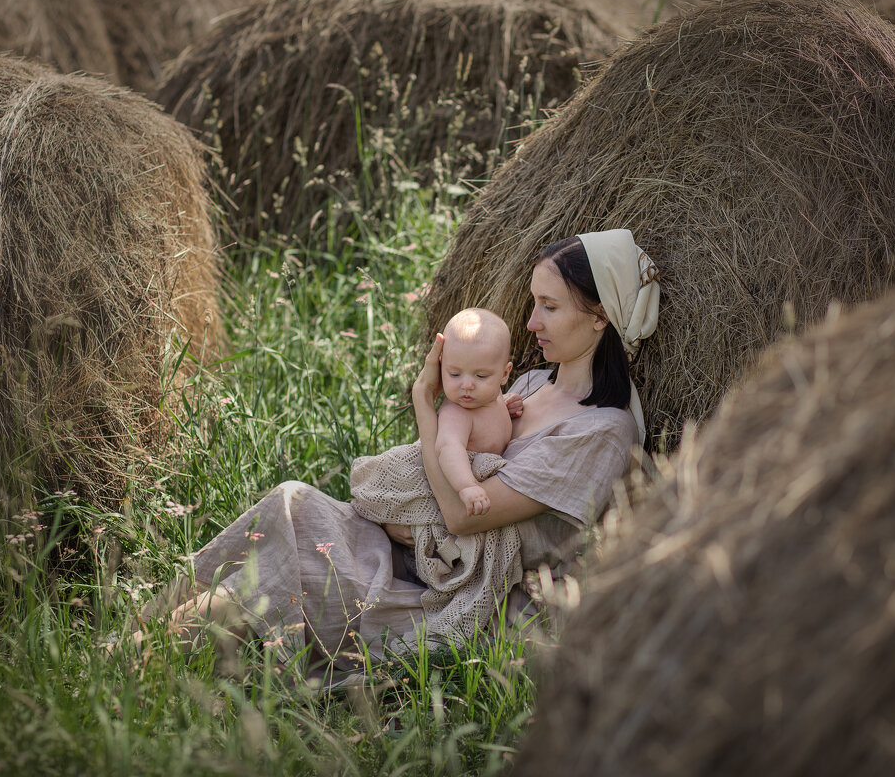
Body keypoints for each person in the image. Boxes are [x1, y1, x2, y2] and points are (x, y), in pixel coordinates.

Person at [142, 228, 661, 673]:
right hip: (415, 557)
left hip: (457, 597)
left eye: (548, 306)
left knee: (297, 565)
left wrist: (423, 403)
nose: (530, 322)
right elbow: (446, 476)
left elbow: (462, 515)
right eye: (532, 303)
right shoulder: (524, 387)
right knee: (293, 502)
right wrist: (403, 514)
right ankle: (140, 628)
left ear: (600, 317)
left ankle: (140, 659)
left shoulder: (602, 432)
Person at [435, 307, 514, 516]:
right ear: (441, 367)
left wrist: (505, 405)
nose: (467, 385)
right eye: (454, 374)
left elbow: (490, 415)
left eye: (480, 376)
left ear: (504, 374)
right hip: (456, 479)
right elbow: (448, 447)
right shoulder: (457, 413)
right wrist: (467, 486)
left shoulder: (492, 397)